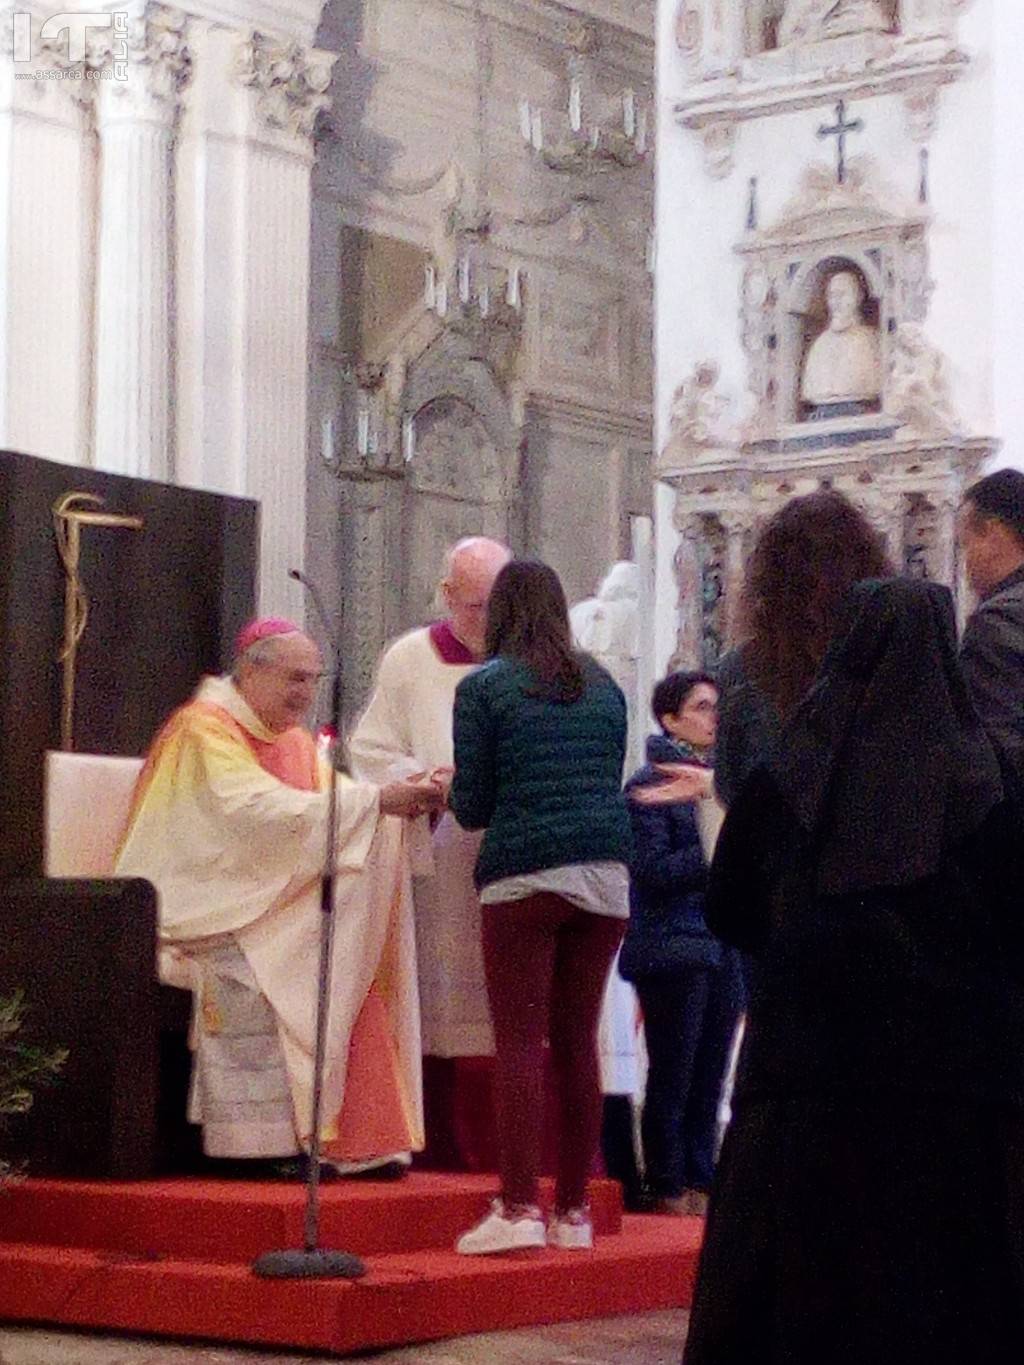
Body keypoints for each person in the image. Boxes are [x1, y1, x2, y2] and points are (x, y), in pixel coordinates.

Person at [682, 577, 1024, 1365]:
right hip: (959, 1103)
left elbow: (727, 905)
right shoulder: (993, 787)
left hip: (805, 1095)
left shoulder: (789, 780)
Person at [115, 618, 442, 1176]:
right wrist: (376, 803)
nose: (306, 694)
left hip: (264, 895)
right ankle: (257, 1146)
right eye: (294, 678)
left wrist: (406, 799)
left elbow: (337, 800)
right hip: (204, 901)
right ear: (251, 669)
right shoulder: (202, 729)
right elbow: (245, 813)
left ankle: (343, 1140)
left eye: (313, 680)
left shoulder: (291, 739)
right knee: (272, 962)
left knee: (347, 951)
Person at [446, 560, 632, 1254]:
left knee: (521, 1042)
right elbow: (602, 776)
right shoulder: (605, 684)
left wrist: (448, 785)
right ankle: (574, 1212)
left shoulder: (486, 686)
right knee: (578, 1040)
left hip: (525, 875)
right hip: (607, 873)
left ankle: (520, 1205)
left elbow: (474, 808)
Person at [349, 536, 511, 1165]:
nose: (485, 621)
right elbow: (371, 749)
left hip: (505, 851)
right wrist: (424, 777)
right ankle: (444, 1148)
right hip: (439, 857)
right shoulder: (411, 658)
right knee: (445, 1005)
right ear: (447, 596)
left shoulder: (525, 660)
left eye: (497, 605)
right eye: (474, 606)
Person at [620, 671, 743, 1219]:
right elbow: (650, 869)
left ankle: (702, 1174)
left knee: (713, 1069)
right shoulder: (649, 785)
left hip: (721, 943)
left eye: (717, 706)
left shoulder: (722, 784)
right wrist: (714, 851)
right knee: (675, 1069)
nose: (713, 716)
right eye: (701, 706)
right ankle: (667, 1179)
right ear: (670, 719)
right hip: (673, 944)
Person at [958, 468, 1024, 806]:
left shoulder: (996, 623)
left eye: (966, 544)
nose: (965, 564)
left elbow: (998, 764)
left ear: (994, 535)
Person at [800, 271, 882, 413]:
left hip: (859, 411)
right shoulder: (820, 345)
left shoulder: (871, 340)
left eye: (843, 295)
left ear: (858, 298)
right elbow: (811, 388)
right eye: (832, 296)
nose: (836, 303)